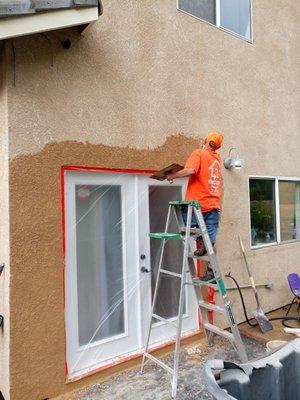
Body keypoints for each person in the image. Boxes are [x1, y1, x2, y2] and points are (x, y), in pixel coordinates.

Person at [165, 132, 223, 281]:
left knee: (188, 228)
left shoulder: (199, 153)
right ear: (217, 146)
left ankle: (201, 242)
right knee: (210, 241)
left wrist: (172, 175)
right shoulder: (217, 158)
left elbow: (191, 170)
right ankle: (211, 272)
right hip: (213, 205)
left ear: (205, 141)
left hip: (197, 205)